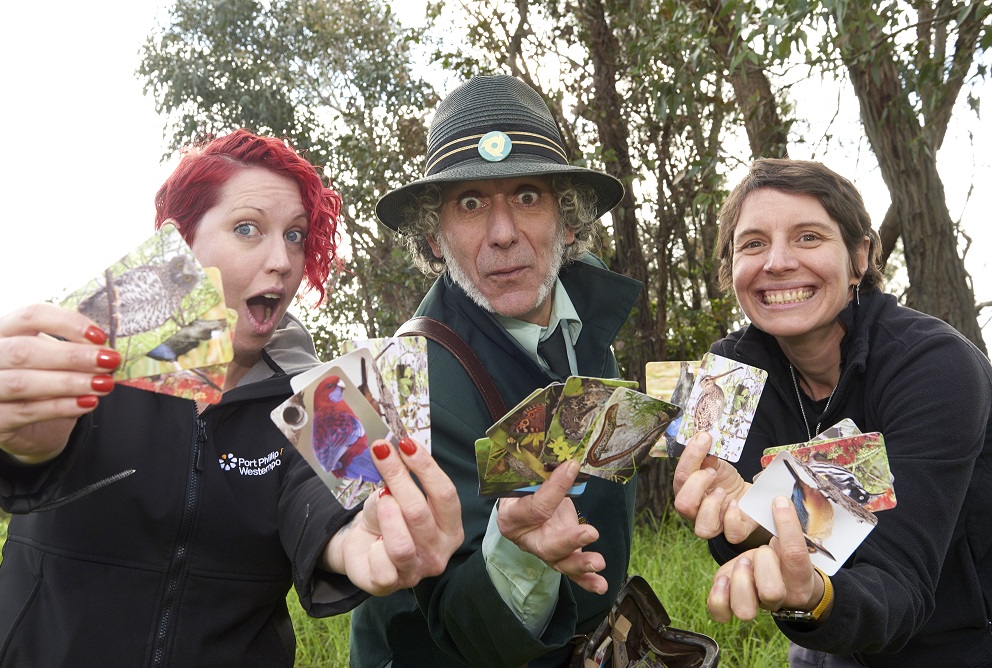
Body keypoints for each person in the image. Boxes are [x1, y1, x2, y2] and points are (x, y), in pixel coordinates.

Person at [0, 130, 463, 666]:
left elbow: (332, 508)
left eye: (295, 236)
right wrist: (24, 443)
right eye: (248, 228)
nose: (283, 261)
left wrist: (360, 539)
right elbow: (29, 449)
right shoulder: (87, 357)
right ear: (180, 241)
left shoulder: (320, 399)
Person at [349, 75, 643, 667]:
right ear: (434, 236)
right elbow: (452, 625)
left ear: (568, 220)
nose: (504, 233)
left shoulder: (588, 335)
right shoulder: (399, 388)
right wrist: (521, 554)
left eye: (528, 195)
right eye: (472, 202)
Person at [672, 158, 992, 667]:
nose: (776, 262)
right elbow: (749, 535)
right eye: (752, 243)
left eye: (808, 237)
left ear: (860, 255)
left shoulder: (937, 366)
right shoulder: (726, 376)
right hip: (825, 630)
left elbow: (900, 580)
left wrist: (814, 596)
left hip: (958, 635)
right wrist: (750, 526)